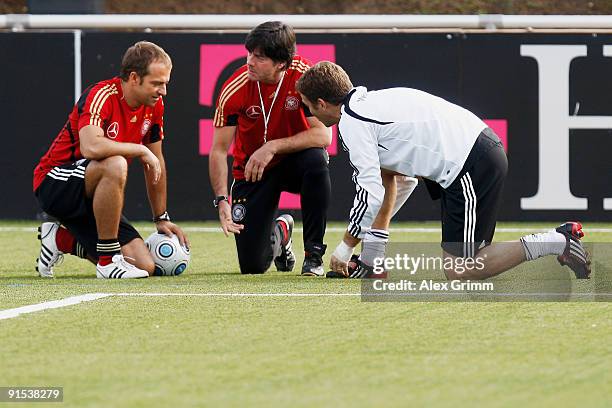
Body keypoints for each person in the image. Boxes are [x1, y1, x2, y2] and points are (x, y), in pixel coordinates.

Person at [295, 61, 590, 280]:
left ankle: (556, 240)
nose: (311, 115)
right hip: (473, 156)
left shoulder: (352, 121)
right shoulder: (368, 103)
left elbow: (370, 193)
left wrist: (346, 247)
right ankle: (372, 263)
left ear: (322, 103)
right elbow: (394, 181)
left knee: (460, 270)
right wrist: (371, 256)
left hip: (471, 164)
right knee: (387, 176)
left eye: (309, 108)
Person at [33, 41, 189, 279]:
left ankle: (59, 239)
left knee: (144, 266)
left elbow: (155, 162)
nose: (163, 91)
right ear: (134, 78)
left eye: (165, 84)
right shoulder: (101, 95)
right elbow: (91, 146)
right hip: (55, 184)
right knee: (115, 163)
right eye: (157, 84)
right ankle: (107, 262)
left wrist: (161, 217)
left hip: (94, 195)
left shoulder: (154, 106)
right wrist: (139, 150)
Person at [209, 21, 332, 276]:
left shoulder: (303, 77)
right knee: (253, 266)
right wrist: (221, 199)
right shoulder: (235, 86)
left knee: (317, 161)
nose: (250, 62)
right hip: (252, 172)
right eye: (250, 53)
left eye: (260, 57)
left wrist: (272, 147)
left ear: (282, 64)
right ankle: (281, 232)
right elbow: (219, 150)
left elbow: (324, 134)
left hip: (292, 163)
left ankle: (314, 255)